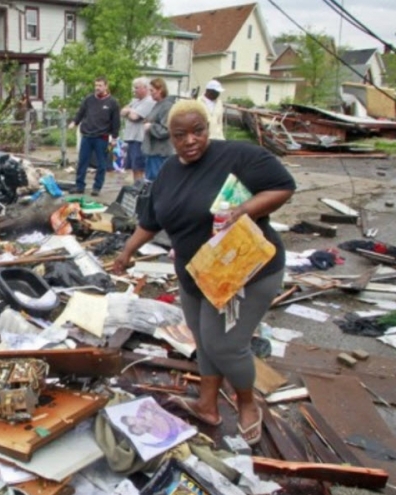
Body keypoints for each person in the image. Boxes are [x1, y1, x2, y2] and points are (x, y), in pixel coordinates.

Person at [112, 100, 295, 445]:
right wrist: (126, 252)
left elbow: (283, 186)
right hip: (197, 275)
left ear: (208, 127)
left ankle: (247, 404)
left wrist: (244, 210)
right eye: (181, 134)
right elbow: (150, 221)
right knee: (205, 343)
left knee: (226, 346)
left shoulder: (237, 156)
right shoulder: (167, 171)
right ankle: (208, 405)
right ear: (171, 137)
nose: (191, 140)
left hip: (245, 271)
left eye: (198, 131)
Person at [68, 76, 120, 196]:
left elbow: (116, 122)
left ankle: (97, 187)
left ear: (106, 86)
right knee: (82, 162)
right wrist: (74, 122)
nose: (97, 88)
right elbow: (80, 113)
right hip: (86, 136)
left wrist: (114, 138)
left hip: (102, 137)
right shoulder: (88, 99)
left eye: (100, 86)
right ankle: (79, 185)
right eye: (96, 85)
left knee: (102, 164)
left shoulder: (112, 102)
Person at [119, 77, 155, 185]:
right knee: (133, 168)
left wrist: (129, 111)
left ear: (145, 88)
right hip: (131, 139)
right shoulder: (135, 101)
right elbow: (122, 112)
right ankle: (136, 188)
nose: (134, 90)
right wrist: (129, 111)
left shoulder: (149, 101)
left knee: (139, 168)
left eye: (136, 88)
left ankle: (140, 190)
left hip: (139, 139)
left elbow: (134, 117)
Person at [141, 78, 174, 182]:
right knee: (149, 181)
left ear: (160, 90)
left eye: (152, 90)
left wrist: (150, 127)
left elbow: (166, 130)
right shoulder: (157, 105)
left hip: (160, 152)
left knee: (157, 181)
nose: (150, 93)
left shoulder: (167, 106)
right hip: (152, 151)